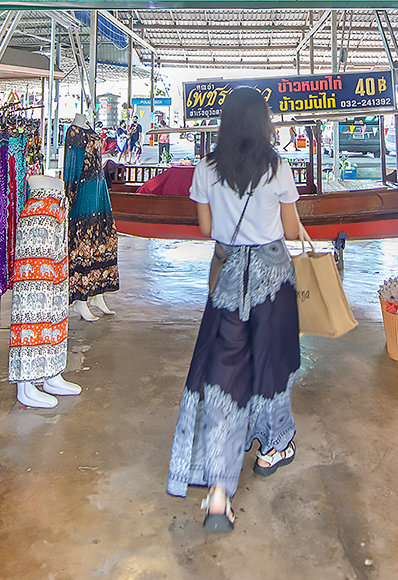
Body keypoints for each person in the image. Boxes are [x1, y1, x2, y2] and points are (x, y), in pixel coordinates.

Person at [167, 86, 304, 532]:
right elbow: (288, 229)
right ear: (263, 123)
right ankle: (273, 446)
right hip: (272, 281)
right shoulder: (279, 168)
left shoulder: (206, 169)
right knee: (272, 364)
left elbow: (207, 229)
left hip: (227, 281)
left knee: (225, 377)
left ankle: (219, 492)